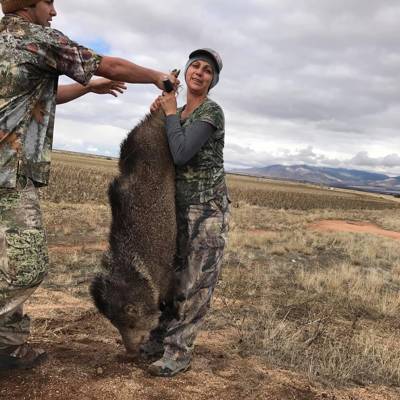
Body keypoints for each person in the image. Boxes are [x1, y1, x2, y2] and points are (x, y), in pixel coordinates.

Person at [0, 0, 178, 370]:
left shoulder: (5, 41)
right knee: (26, 266)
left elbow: (41, 96)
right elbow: (109, 64)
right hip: (8, 174)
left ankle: (8, 347)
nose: (53, 12)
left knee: (5, 261)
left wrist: (87, 89)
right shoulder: (38, 38)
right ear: (28, 5)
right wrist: (156, 76)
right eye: (48, 2)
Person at [142, 48, 230, 377]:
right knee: (172, 279)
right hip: (176, 208)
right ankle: (159, 339)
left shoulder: (211, 112)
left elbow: (180, 153)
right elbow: (158, 149)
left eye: (207, 70)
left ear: (212, 81)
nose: (199, 72)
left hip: (206, 210)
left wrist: (167, 114)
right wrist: (158, 114)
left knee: (196, 283)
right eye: (195, 65)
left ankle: (178, 352)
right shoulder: (176, 112)